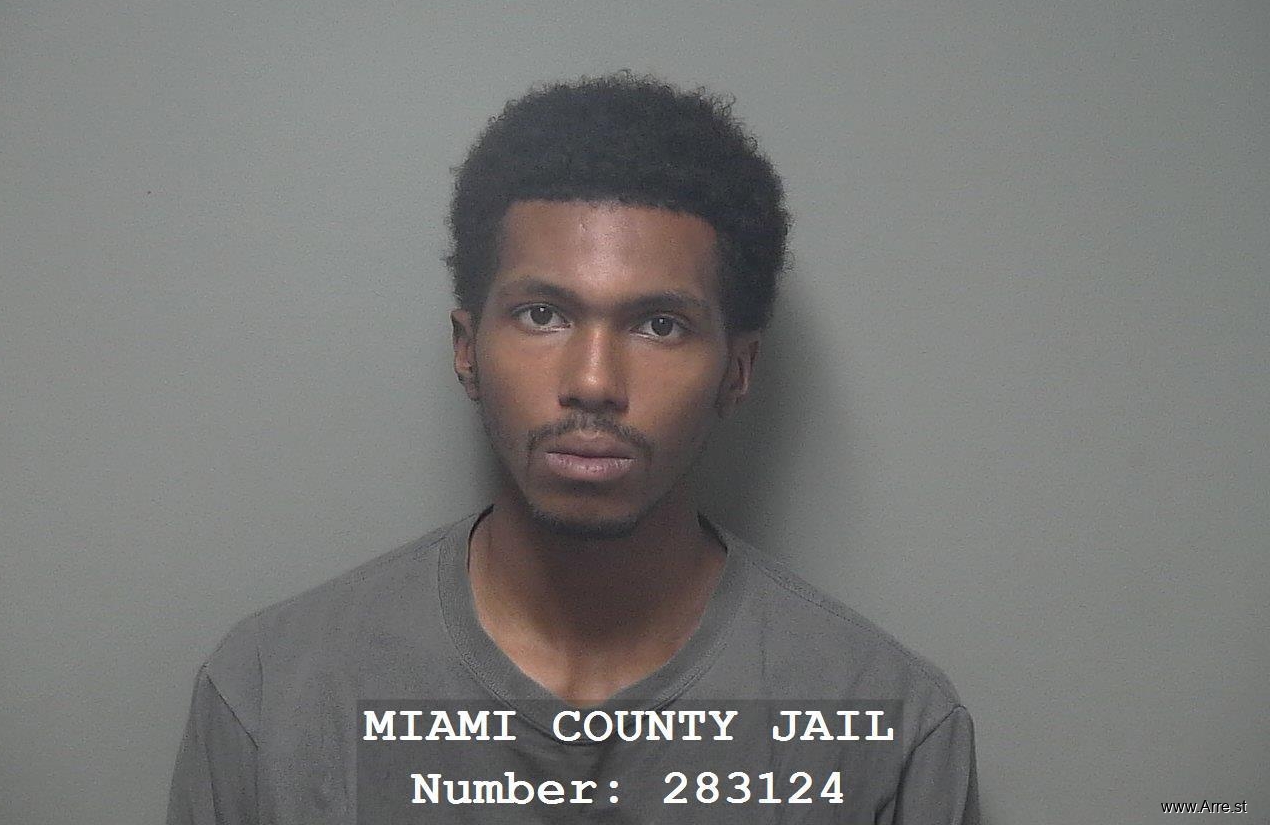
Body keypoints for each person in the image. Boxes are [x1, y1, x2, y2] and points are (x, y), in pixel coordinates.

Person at [167, 73, 979, 824]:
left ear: (736, 370)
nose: (593, 381)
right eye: (542, 315)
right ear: (466, 349)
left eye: (659, 325)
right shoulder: (273, 696)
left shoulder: (890, 733)